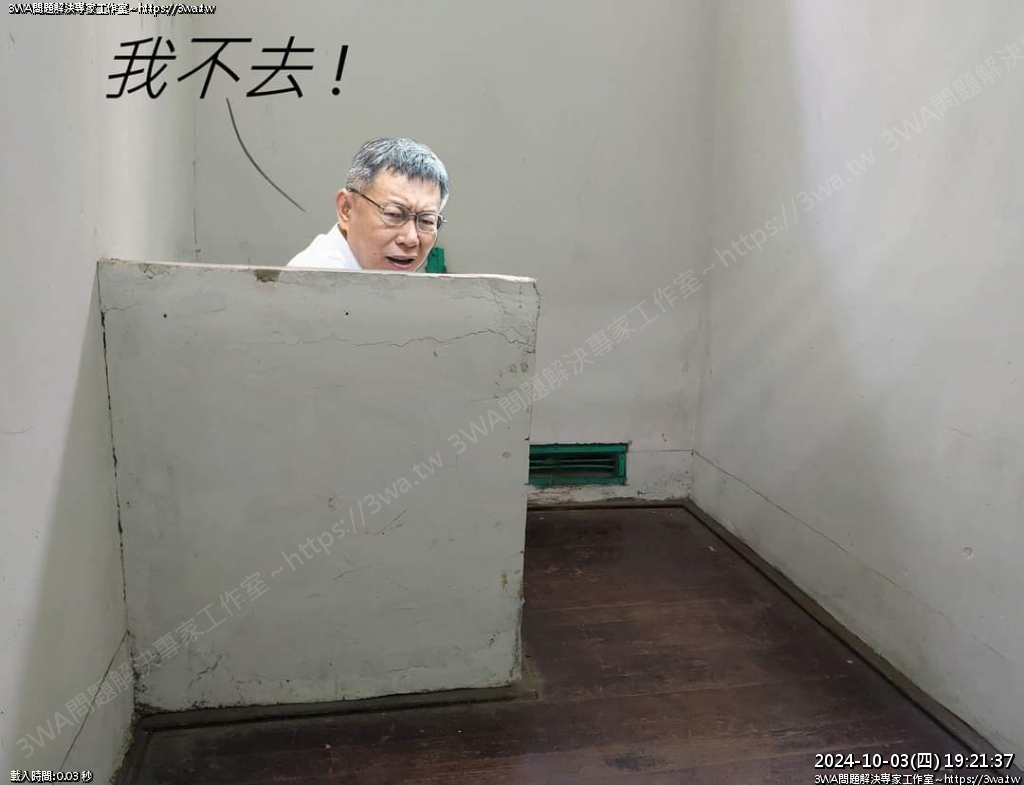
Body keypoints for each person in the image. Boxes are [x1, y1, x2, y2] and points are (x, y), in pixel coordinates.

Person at [286, 137, 450, 272]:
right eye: (393, 215)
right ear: (346, 209)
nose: (410, 239)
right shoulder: (318, 282)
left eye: (427, 220)